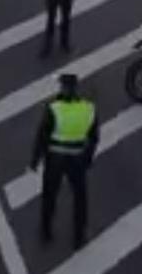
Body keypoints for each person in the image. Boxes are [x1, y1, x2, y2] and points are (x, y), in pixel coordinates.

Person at [31, 73, 99, 251]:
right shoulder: (88, 108)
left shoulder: (54, 108)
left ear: (62, 88)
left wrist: (35, 160)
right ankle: (79, 236)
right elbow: (93, 138)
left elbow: (42, 136)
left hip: (55, 159)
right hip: (77, 159)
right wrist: (88, 159)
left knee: (50, 196)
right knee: (80, 198)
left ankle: (46, 231)